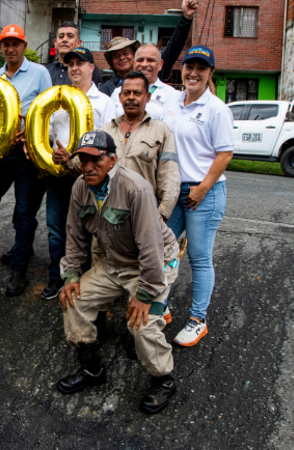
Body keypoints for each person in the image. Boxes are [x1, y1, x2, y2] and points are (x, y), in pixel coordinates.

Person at [54, 130, 181, 414]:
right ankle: (92, 370)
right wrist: (71, 275)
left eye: (96, 160)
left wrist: (145, 294)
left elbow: (151, 247)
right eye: (83, 160)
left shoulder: (136, 189)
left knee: (142, 323)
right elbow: (74, 236)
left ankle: (163, 380)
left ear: (112, 160)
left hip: (153, 264)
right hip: (114, 263)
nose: (88, 167)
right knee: (73, 300)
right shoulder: (79, 187)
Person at [161, 46, 232, 347]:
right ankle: (160, 307)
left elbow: (225, 153)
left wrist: (202, 188)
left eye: (201, 68)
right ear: (182, 69)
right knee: (161, 248)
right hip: (175, 189)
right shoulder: (173, 102)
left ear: (210, 73)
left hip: (204, 191)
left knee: (199, 258)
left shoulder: (217, 109)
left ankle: (197, 320)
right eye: (189, 67)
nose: (193, 73)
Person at [0, 24, 54, 296]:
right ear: (0, 47)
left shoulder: (40, 73)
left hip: (26, 153)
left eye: (15, 44)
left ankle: (19, 271)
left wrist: (31, 131)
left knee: (23, 212)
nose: (11, 49)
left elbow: (48, 111)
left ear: (24, 46)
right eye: (6, 44)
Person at [40, 47, 115, 300]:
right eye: (70, 64)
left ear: (91, 68)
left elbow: (110, 141)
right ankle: (57, 276)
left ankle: (89, 280)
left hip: (89, 177)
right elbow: (49, 136)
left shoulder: (104, 102)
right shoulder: (57, 101)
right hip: (58, 175)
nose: (74, 68)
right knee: (55, 229)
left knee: (90, 230)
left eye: (80, 63)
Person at [100, 71, 180, 219]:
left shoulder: (160, 131)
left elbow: (169, 177)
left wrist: (162, 215)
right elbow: (89, 166)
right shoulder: (106, 130)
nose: (131, 97)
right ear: (120, 97)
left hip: (143, 214)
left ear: (147, 97)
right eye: (127, 93)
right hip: (107, 214)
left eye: (137, 93)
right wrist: (67, 158)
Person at [99, 0, 198, 97]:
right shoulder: (107, 89)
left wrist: (186, 18)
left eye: (125, 53)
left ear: (134, 57)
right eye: (116, 56)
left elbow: (174, 47)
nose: (122, 57)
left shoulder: (152, 71)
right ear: (111, 62)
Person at [44, 22, 100, 87]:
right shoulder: (45, 71)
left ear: (79, 43)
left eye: (70, 36)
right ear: (55, 43)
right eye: (61, 36)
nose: (64, 40)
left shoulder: (89, 69)